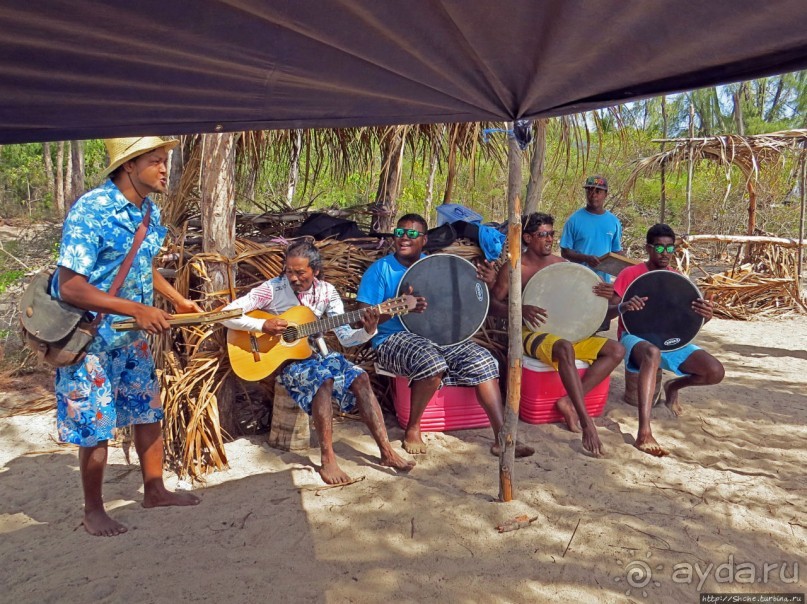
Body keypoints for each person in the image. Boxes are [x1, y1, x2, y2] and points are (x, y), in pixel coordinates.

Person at [53, 136, 202, 537]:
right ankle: (93, 510)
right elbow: (70, 286)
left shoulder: (148, 212)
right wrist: (138, 309)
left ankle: (154, 489)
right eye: (156, 161)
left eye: (165, 160)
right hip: (90, 342)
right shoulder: (92, 210)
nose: (165, 168)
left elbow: (140, 265)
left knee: (147, 411)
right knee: (96, 425)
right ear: (129, 166)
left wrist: (177, 301)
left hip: (130, 340)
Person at [221, 241, 415, 485]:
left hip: (318, 356)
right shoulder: (272, 289)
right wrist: (262, 325)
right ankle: (328, 459)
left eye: (300, 272)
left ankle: (386, 451)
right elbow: (228, 314)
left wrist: (369, 330)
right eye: (289, 271)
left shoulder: (327, 292)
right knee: (323, 381)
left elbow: (345, 338)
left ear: (316, 271)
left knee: (360, 377)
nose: (293, 277)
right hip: (287, 363)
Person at [357, 213, 534, 458]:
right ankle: (413, 428)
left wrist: (489, 283)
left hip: (439, 337)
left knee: (483, 359)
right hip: (392, 339)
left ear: (424, 239)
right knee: (431, 360)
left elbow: (468, 301)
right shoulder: (380, 271)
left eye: (411, 234)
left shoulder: (436, 266)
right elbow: (363, 318)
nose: (404, 238)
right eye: (399, 233)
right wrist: (395, 308)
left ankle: (501, 436)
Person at [485, 212, 624, 457]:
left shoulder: (561, 266)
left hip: (565, 332)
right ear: (527, 237)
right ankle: (586, 421)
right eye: (542, 235)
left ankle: (569, 402)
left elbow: (589, 300)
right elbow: (492, 304)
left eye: (551, 234)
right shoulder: (516, 267)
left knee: (616, 350)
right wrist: (519, 309)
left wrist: (608, 293)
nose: (549, 239)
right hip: (530, 333)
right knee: (564, 348)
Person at [611, 223, 725, 457]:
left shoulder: (677, 279)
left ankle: (673, 385)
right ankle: (644, 431)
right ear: (648, 248)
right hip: (634, 337)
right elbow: (609, 310)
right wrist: (623, 306)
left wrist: (706, 317)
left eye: (670, 249)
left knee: (715, 371)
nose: (665, 254)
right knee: (652, 352)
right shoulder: (630, 275)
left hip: (668, 339)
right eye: (659, 248)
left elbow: (686, 325)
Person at [560, 175, 623, 284]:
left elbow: (616, 251)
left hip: (602, 283)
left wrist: (628, 267)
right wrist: (586, 258)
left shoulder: (614, 221)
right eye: (589, 191)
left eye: (598, 191)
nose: (593, 195)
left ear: (605, 195)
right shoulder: (574, 220)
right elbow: (565, 252)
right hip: (577, 281)